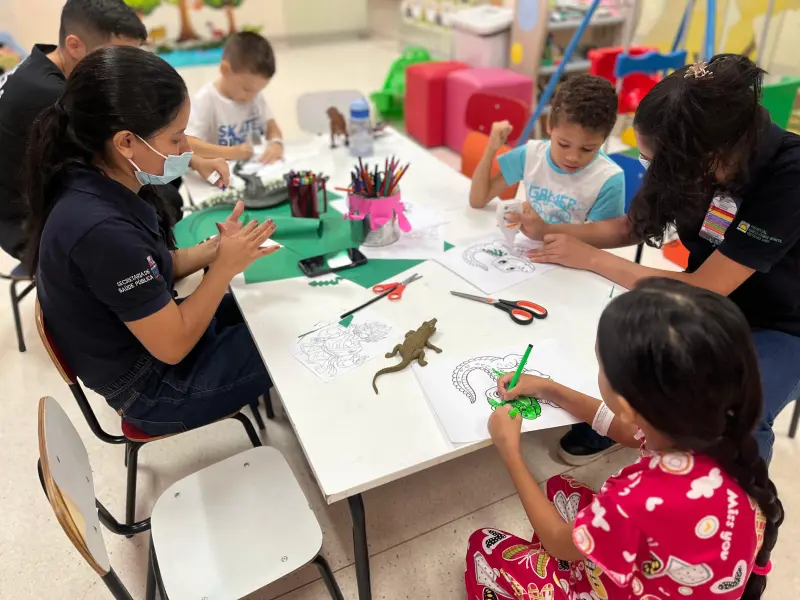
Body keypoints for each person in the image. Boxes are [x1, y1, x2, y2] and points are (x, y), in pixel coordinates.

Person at [515, 54, 800, 466]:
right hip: (707, 299)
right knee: (621, 342)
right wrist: (551, 233)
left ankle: (739, 516)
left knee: (734, 412)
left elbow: (706, 286)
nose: (650, 170)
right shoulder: (690, 153)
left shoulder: (789, 175)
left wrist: (592, 258)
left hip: (781, 324)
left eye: (654, 162)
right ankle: (632, 426)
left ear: (709, 159)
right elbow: (635, 225)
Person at [467, 278, 782, 600]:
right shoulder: (706, 430)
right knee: (559, 488)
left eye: (601, 367)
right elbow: (623, 429)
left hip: (624, 588)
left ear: (631, 404)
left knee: (485, 546)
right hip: (674, 568)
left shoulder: (634, 498)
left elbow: (558, 542)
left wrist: (511, 453)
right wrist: (551, 389)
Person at [27, 46, 277, 436]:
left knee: (271, 312)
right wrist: (224, 268)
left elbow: (158, 265)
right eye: (177, 140)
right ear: (126, 142)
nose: (185, 152)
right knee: (289, 342)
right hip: (152, 390)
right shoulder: (100, 229)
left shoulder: (106, 178)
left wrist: (216, 249)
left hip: (148, 342)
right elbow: (174, 345)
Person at [0, 0, 227, 261]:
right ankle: (149, 274)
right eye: (118, 59)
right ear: (74, 45)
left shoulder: (46, 62)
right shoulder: (52, 95)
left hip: (41, 190)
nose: (129, 72)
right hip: (25, 220)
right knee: (162, 198)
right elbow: (131, 144)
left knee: (161, 178)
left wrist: (191, 159)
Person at [468, 73, 624, 229]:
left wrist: (543, 231)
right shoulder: (530, 155)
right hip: (527, 247)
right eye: (563, 144)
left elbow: (599, 241)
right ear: (549, 126)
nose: (572, 157)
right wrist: (491, 148)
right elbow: (478, 199)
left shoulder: (608, 180)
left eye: (587, 149)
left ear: (603, 140)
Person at [187, 31, 284, 164]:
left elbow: (271, 125)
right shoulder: (206, 99)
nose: (251, 97)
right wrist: (231, 153)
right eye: (246, 89)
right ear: (225, 70)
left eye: (258, 91)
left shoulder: (254, 96)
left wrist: (276, 143)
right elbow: (188, 143)